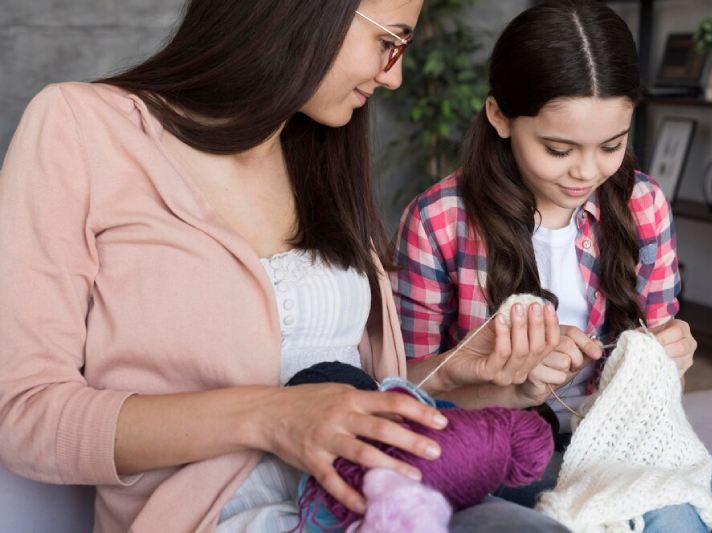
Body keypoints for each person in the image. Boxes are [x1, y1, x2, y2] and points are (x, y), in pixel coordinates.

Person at [0, 1, 570, 531]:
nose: (394, 76)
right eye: (390, 43)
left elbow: (349, 394)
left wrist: (456, 373)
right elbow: (24, 414)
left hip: (375, 500)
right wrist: (269, 416)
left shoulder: (320, 149)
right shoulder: (83, 127)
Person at [391, 1, 712, 531]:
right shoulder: (438, 222)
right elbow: (404, 386)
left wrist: (670, 355)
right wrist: (505, 385)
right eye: (558, 149)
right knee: (671, 519)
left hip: (626, 434)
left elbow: (658, 358)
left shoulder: (641, 203)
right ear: (499, 116)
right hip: (505, 444)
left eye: (612, 145)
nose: (587, 172)